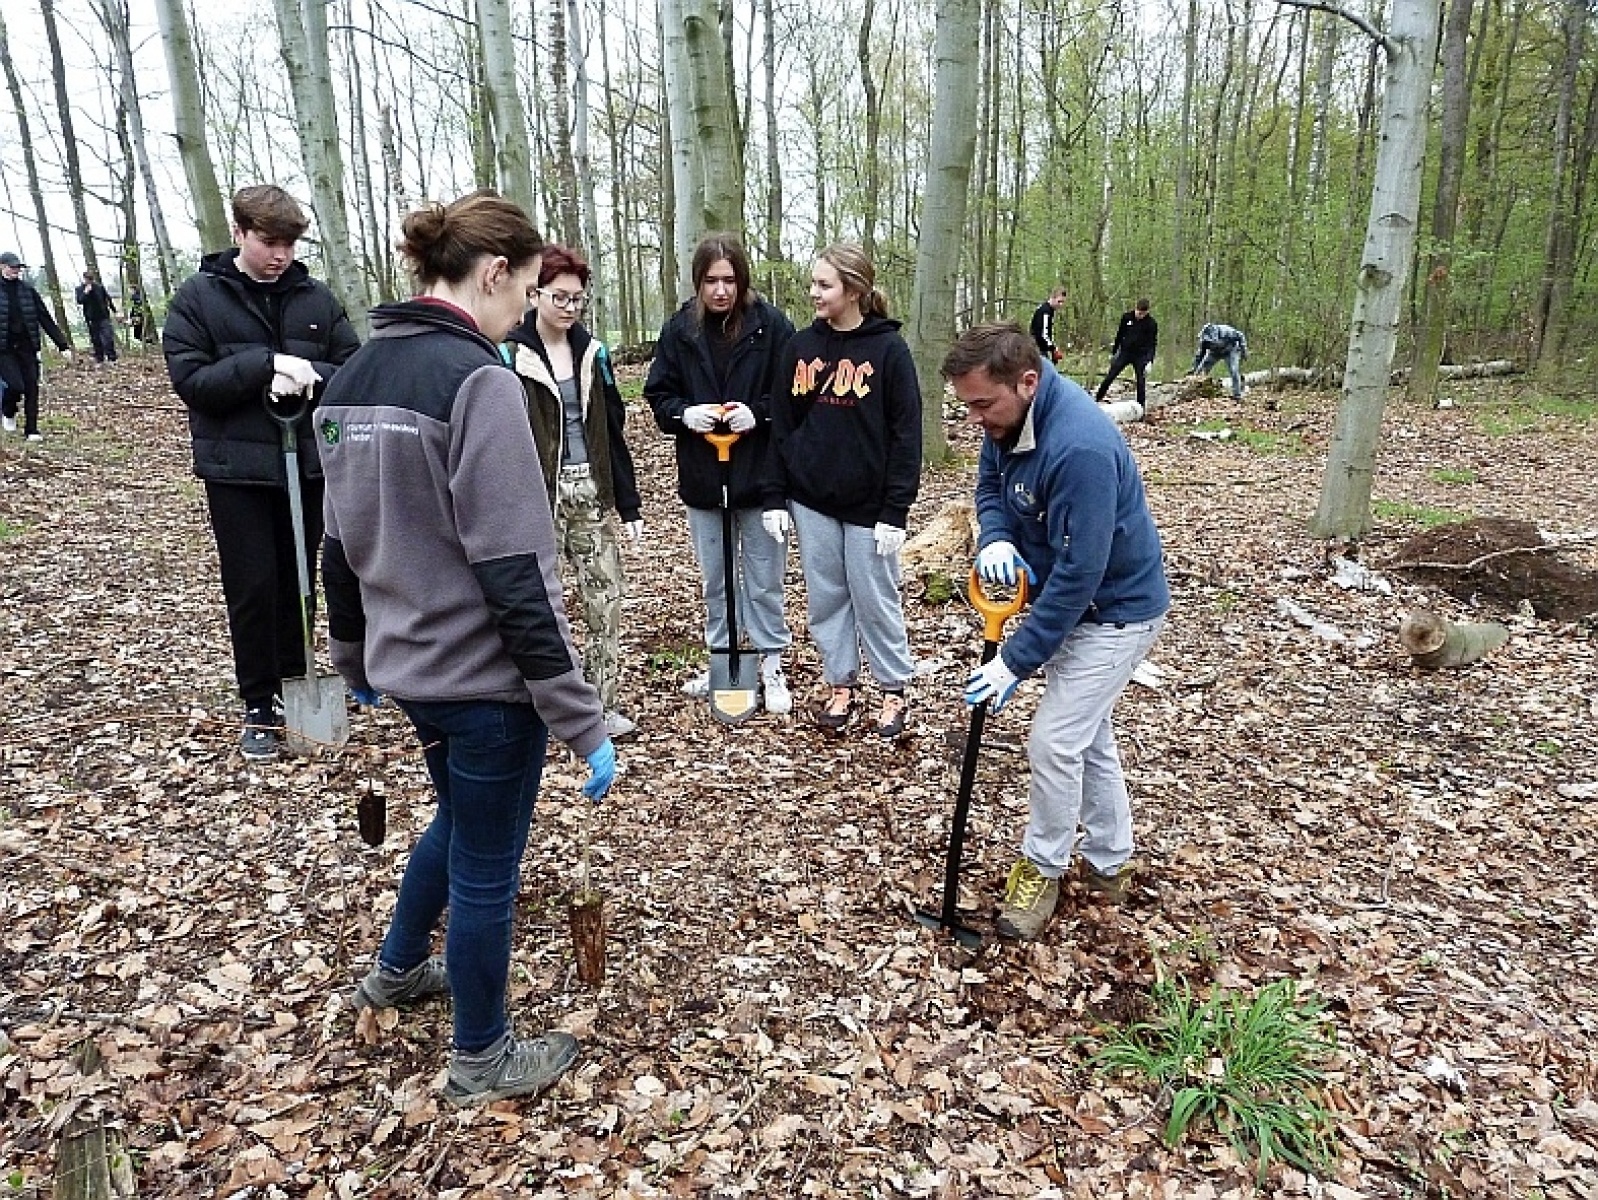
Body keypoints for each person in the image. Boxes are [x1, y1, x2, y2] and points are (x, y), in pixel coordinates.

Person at [316, 188, 613, 1108]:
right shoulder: (480, 382)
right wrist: (580, 718)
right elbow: (516, 572)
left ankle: (398, 968)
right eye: (524, 291)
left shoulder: (352, 376)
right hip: (484, 685)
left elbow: (336, 548)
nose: (525, 310)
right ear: (493, 273)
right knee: (488, 866)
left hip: (409, 672)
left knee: (457, 821)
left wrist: (355, 659)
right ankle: (481, 1056)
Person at [945, 322, 1169, 942]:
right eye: (967, 406)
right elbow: (991, 485)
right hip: (1071, 604)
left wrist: (1014, 661)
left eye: (982, 404)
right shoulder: (1007, 422)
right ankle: (1110, 862)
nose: (975, 419)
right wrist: (994, 538)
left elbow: (1080, 572)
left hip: (1117, 610)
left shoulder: (1080, 448)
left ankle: (1042, 869)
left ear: (1028, 381)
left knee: (1054, 741)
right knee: (1087, 737)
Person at [162, 185, 361, 759]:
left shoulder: (315, 298)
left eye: (290, 244)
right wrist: (262, 366)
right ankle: (258, 700)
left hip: (307, 465)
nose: (281, 255)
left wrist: (311, 375)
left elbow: (353, 370)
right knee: (252, 585)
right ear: (239, 233)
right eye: (270, 242)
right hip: (237, 471)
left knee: (300, 580)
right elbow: (192, 382)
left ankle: (298, 680)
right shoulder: (199, 298)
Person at [763, 243, 921, 738]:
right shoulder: (799, 348)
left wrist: (896, 509)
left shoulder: (889, 351)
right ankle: (841, 683)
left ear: (853, 290)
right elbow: (781, 425)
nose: (814, 293)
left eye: (824, 285)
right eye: (813, 283)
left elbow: (907, 434)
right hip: (811, 499)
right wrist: (774, 496)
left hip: (870, 506)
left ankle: (893, 690)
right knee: (826, 597)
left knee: (874, 597)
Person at [645, 233, 796, 715]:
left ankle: (770, 661)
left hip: (761, 477)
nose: (721, 290)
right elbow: (659, 394)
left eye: (729, 280)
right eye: (711, 280)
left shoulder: (771, 326)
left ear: (742, 280)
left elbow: (795, 394)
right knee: (717, 579)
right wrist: (684, 414)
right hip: (703, 476)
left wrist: (761, 413)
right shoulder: (680, 330)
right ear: (698, 281)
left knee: (765, 578)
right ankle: (723, 657)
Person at [505, 245, 643, 739]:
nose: (568, 307)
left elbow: (612, 430)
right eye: (559, 297)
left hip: (589, 490)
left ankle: (601, 706)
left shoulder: (593, 354)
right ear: (535, 295)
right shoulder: (509, 354)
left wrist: (628, 503)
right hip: (536, 496)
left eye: (577, 299)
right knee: (540, 606)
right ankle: (539, 709)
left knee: (605, 599)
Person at [0, 251, 73, 441]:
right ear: (2, 267)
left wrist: (62, 345)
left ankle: (31, 429)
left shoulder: (28, 290)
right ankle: (8, 411)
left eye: (17, 267)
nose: (15, 270)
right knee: (15, 385)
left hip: (27, 346)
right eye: (12, 267)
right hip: (5, 349)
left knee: (32, 386)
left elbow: (44, 318)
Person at [1093, 298, 1157, 410]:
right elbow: (1119, 335)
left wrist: (1150, 360)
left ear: (1147, 312)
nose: (1140, 316)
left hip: (1140, 356)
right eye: (1138, 312)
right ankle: (1097, 399)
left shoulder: (1151, 324)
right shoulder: (1127, 317)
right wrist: (1114, 352)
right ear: (1135, 308)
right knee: (1110, 376)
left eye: (1142, 314)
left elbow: (1152, 344)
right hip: (1125, 353)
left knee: (1141, 382)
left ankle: (1141, 408)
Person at [1189, 322, 1248, 398]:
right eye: (1208, 342)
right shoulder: (1204, 341)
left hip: (1231, 351)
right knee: (1201, 370)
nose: (1209, 343)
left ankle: (1237, 394)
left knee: (1234, 370)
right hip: (1214, 353)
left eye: (1210, 341)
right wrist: (1194, 368)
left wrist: (1244, 351)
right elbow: (1199, 356)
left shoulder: (1226, 331)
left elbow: (1240, 335)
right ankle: (1196, 391)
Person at [74, 270, 118, 363]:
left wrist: (115, 311)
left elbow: (107, 299)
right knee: (96, 339)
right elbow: (80, 301)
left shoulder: (99, 287)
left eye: (91, 279)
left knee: (108, 337)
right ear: (84, 279)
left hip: (103, 316)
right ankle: (99, 358)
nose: (89, 281)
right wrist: (86, 292)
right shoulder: (80, 289)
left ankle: (112, 358)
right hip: (91, 318)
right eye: (87, 279)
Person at [1030, 286, 1066, 366]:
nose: (1061, 305)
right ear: (1053, 297)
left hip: (1039, 347)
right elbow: (1043, 334)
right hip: (1037, 347)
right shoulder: (1045, 311)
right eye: (1059, 301)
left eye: (1063, 302)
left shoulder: (1049, 310)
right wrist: (1053, 349)